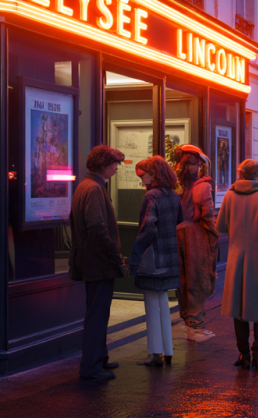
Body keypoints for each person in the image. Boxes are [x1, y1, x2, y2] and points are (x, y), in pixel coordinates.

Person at [218, 159, 258, 371]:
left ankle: (243, 353)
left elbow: (221, 226)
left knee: (239, 307)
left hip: (236, 257)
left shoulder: (229, 196)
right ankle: (257, 353)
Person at [69, 145, 127, 381]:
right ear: (104, 165)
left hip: (93, 261)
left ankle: (99, 358)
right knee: (97, 314)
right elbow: (97, 229)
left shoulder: (87, 186)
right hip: (98, 263)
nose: (116, 168)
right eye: (114, 164)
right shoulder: (93, 189)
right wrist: (115, 255)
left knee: (99, 312)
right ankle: (91, 366)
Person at [128, 156, 184, 367]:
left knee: (152, 305)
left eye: (143, 176)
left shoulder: (151, 196)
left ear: (154, 174)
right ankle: (167, 350)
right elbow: (179, 225)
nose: (142, 181)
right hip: (171, 257)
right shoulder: (174, 196)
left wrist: (135, 256)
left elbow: (147, 228)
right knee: (163, 303)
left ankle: (155, 353)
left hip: (154, 259)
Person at [174, 145, 219, 342]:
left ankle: (191, 323)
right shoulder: (202, 186)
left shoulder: (176, 184)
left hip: (179, 234)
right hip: (195, 236)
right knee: (197, 280)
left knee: (186, 281)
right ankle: (195, 325)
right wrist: (215, 232)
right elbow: (207, 215)